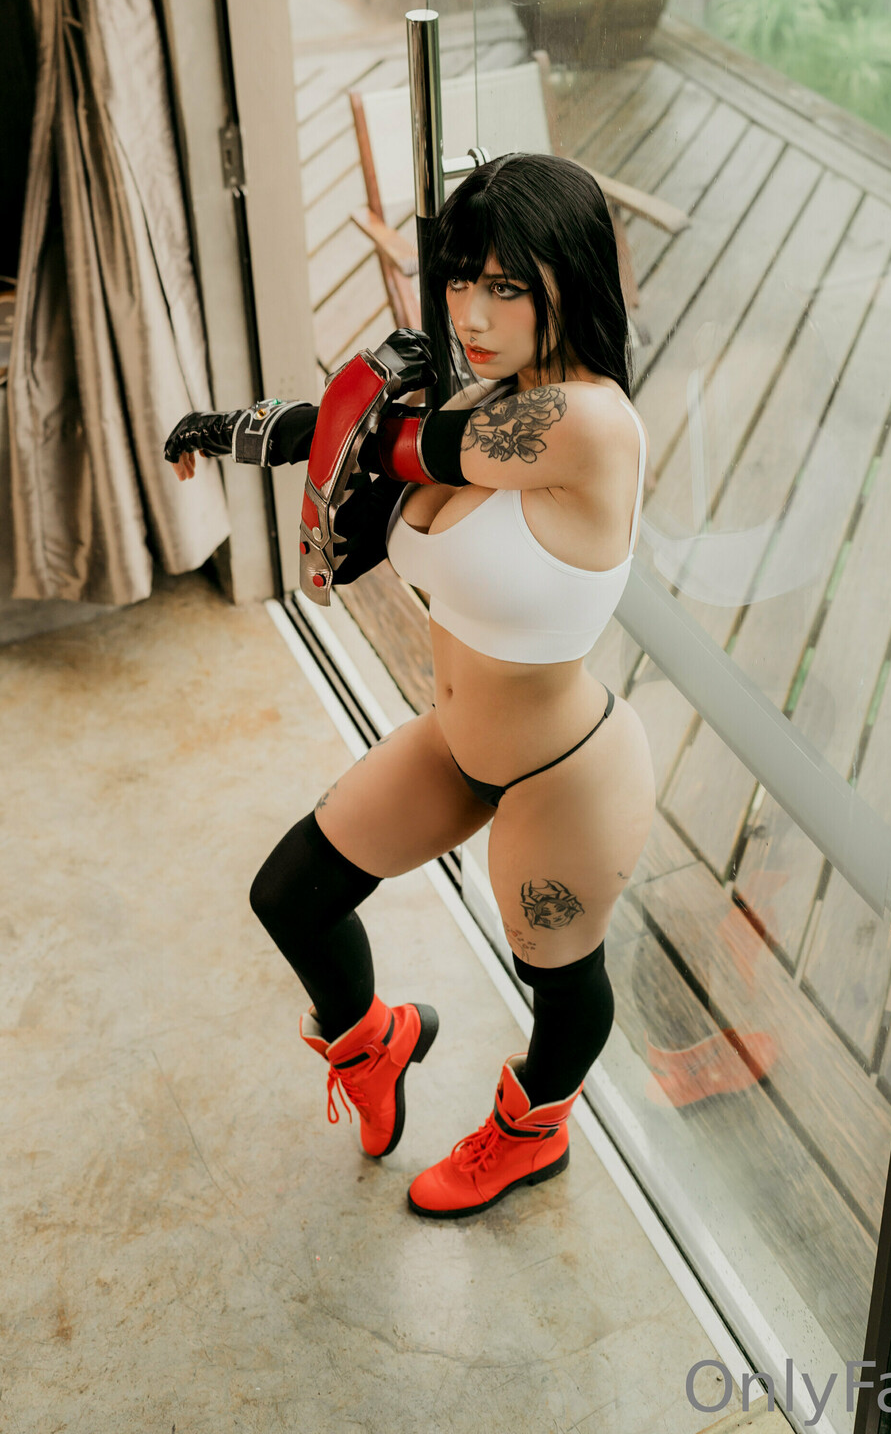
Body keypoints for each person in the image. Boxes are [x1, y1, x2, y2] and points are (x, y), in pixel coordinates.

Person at [166, 153, 655, 1218]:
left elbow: (392, 444)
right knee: (290, 896)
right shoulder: (490, 392)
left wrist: (303, 426)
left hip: (562, 772)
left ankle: (530, 1134)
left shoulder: (587, 423)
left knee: (556, 980)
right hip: (458, 744)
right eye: (459, 279)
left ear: (571, 278)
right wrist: (227, 428)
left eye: (505, 286)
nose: (469, 313)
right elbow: (369, 441)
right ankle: (374, 1044)